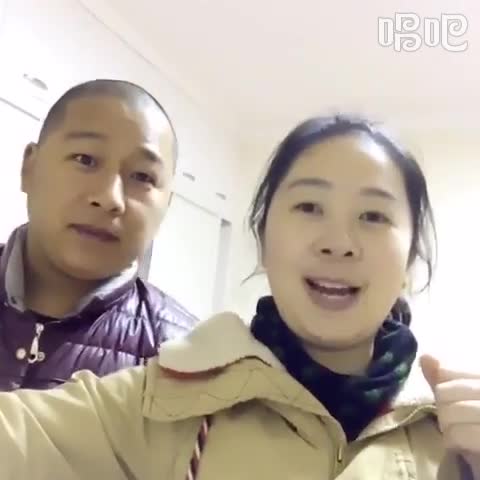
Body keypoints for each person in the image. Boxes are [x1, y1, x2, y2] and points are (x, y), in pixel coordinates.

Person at [0, 114, 479, 479]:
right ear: (263, 239)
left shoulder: (453, 434)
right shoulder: (159, 401)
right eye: (309, 206)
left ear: (410, 258)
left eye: (373, 216)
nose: (338, 242)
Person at [0, 79, 196, 391]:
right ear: (30, 168)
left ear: (166, 206)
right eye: (85, 159)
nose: (109, 198)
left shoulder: (188, 362)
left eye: (142, 176)